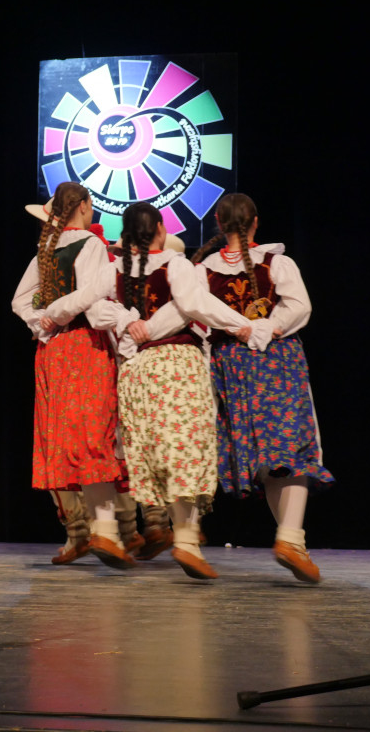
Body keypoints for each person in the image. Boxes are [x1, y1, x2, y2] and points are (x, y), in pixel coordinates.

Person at [45, 202, 269, 579]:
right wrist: (241, 326)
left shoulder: (114, 268)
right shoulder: (176, 265)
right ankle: (185, 540)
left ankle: (147, 532)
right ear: (161, 231)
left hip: (136, 374)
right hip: (176, 366)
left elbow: (82, 302)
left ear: (127, 235)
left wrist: (50, 317)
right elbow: (196, 304)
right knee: (187, 449)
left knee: (153, 454)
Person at [192, 193, 333, 583]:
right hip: (276, 360)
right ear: (256, 222)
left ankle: (292, 540)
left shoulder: (202, 270)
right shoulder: (278, 263)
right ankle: (289, 539)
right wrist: (266, 328)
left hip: (232, 366)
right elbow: (299, 307)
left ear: (218, 223)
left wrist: (240, 335)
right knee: (293, 449)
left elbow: (200, 323)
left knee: (268, 459)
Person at [11, 182, 134, 569]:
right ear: (82, 206)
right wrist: (61, 314)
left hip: (52, 351)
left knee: (70, 439)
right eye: (92, 205)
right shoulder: (89, 244)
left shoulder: (47, 248)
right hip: (84, 346)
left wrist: (43, 321)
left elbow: (18, 301)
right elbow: (93, 296)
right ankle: (105, 532)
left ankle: (90, 532)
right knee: (94, 436)